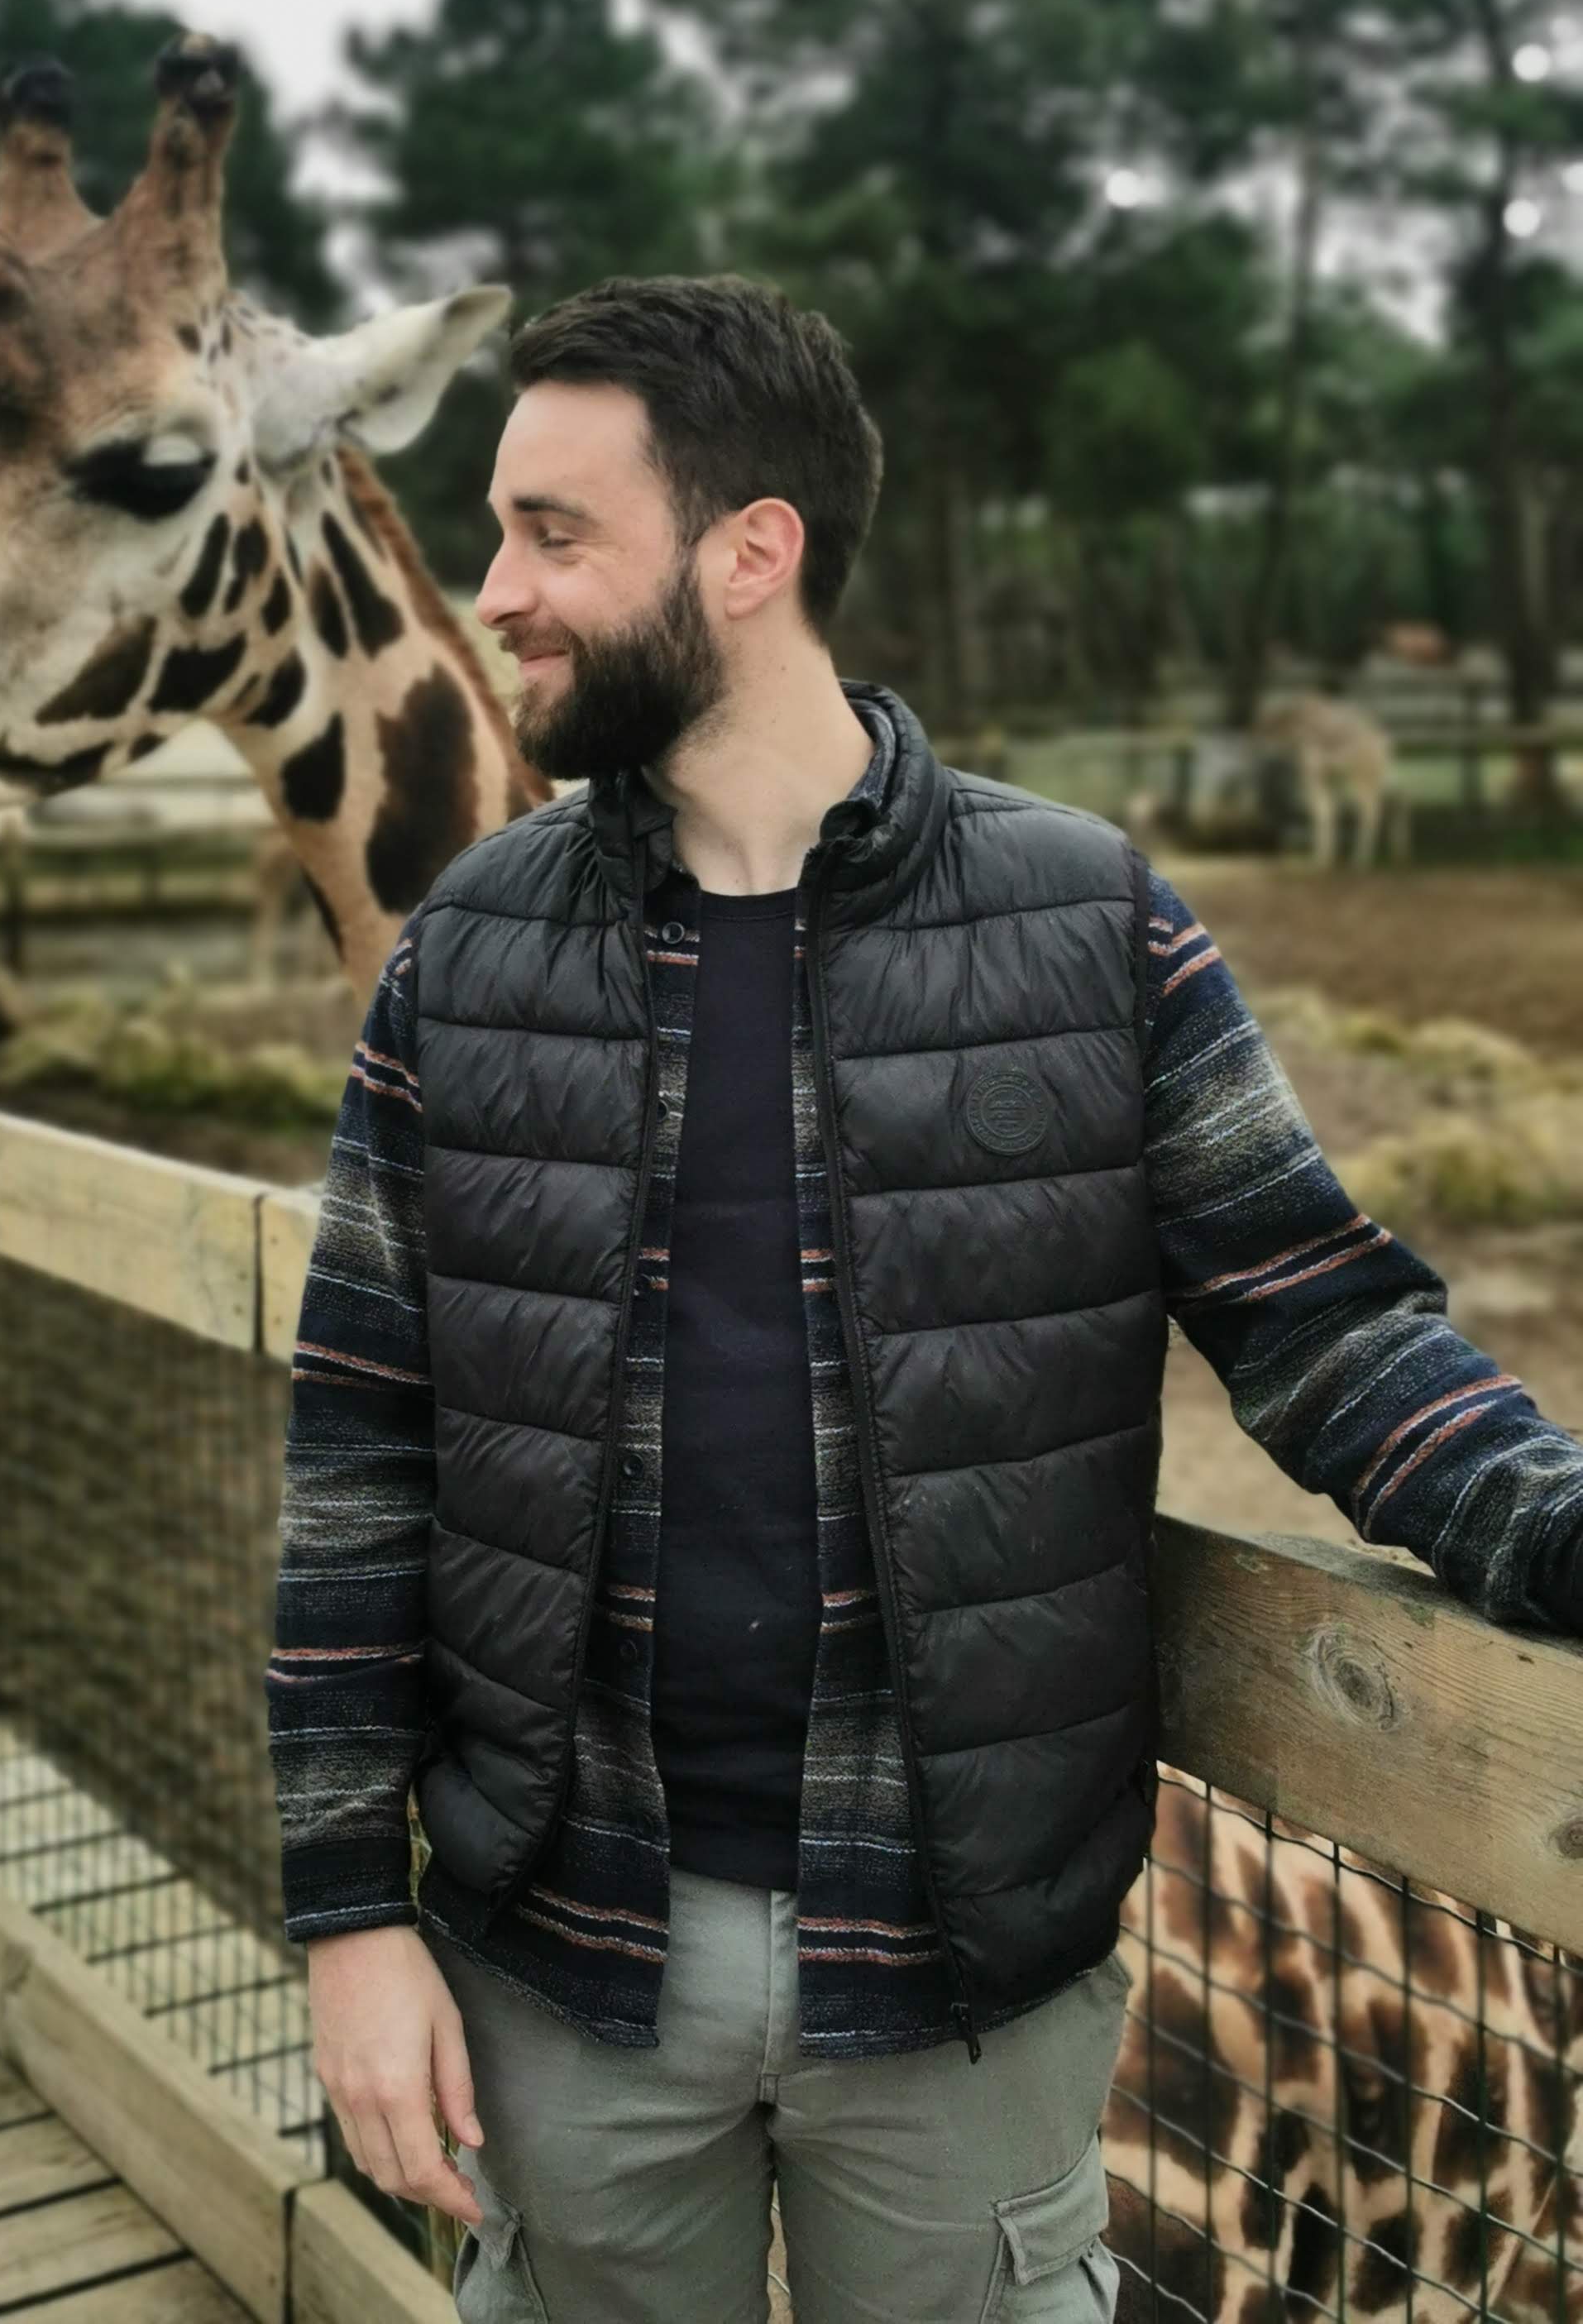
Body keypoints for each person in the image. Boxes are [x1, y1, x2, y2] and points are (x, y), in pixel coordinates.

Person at [265, 275, 1583, 2324]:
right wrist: (352, 1916)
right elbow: (360, 1459)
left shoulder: (1091, 925)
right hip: (564, 1948)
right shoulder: (466, 962)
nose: (495, 590)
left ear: (750, 553)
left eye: (552, 533)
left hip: (960, 1963)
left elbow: (1325, 1323)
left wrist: (1562, 1527)